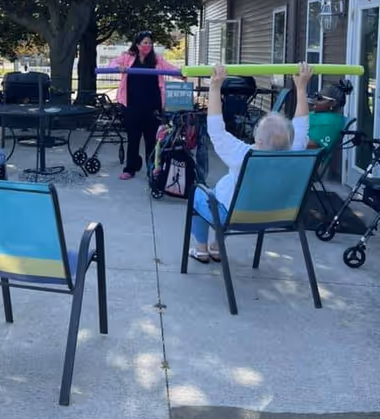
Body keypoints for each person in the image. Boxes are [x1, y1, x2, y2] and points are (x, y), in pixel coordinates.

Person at [189, 62, 312, 263]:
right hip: (273, 215)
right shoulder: (294, 152)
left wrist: (215, 87)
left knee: (199, 194)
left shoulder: (244, 154)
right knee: (235, 197)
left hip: (234, 216)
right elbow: (301, 124)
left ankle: (201, 249)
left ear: (260, 140)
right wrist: (301, 87)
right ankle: (216, 246)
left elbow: (216, 130)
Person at [113, 31, 180, 180]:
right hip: (131, 105)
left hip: (152, 105)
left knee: (152, 139)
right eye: (145, 42)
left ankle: (152, 167)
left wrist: (183, 74)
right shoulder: (127, 57)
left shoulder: (156, 59)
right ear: (137, 44)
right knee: (133, 138)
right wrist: (119, 68)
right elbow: (113, 63)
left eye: (150, 43)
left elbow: (171, 69)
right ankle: (130, 168)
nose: (148, 45)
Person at [307, 80, 353, 151]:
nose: (315, 100)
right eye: (315, 96)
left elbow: (312, 146)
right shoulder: (319, 114)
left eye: (319, 98)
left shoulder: (329, 123)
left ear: (332, 103)